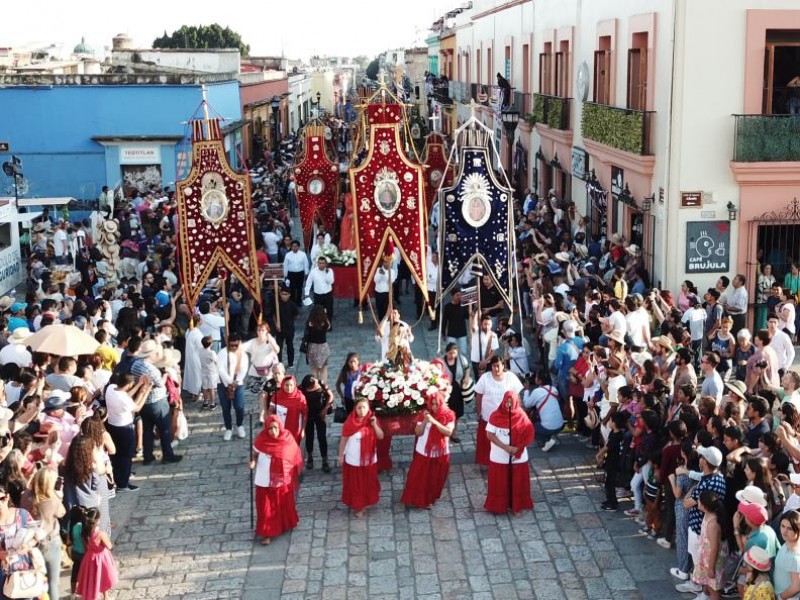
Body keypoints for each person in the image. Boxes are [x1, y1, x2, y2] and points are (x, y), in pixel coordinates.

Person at [249, 416, 303, 545]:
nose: (273, 431)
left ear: (280, 427)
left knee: (282, 504)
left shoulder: (287, 439)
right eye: (270, 428)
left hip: (281, 478)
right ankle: (267, 533)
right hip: (264, 478)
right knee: (265, 507)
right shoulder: (261, 440)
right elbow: (255, 455)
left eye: (276, 428)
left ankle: (285, 524)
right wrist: (252, 463)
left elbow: (294, 455)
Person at [400, 391, 455, 509]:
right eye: (432, 404)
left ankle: (429, 500)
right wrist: (425, 421)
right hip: (423, 452)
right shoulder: (424, 414)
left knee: (434, 479)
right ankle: (414, 498)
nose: (434, 407)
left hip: (440, 453)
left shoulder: (449, 415)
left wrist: (434, 422)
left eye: (437, 404)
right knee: (416, 477)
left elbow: (448, 432)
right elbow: (418, 432)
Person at [484, 391, 534, 516]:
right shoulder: (495, 415)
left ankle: (517, 506)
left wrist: (517, 448)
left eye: (511, 402)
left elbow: (529, 434)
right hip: (499, 456)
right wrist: (505, 447)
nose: (509, 404)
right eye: (507, 401)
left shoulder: (522, 416)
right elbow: (490, 434)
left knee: (517, 483)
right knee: (500, 483)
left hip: (518, 456)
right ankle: (499, 505)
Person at [338, 397, 384, 518]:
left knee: (368, 482)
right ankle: (359, 506)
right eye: (359, 407)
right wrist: (340, 455)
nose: (361, 410)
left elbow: (381, 436)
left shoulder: (373, 421)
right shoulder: (349, 422)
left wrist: (374, 425)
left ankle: (367, 501)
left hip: (369, 460)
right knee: (356, 485)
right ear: (355, 409)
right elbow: (343, 440)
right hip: (354, 460)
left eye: (364, 407)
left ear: (368, 408)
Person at [104, 373, 151, 492]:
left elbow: (126, 395)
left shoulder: (111, 388)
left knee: (116, 455)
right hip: (124, 428)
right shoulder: (123, 398)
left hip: (112, 425)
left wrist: (140, 385)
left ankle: (118, 478)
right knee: (125, 456)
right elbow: (137, 407)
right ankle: (123, 484)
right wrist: (145, 392)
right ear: (129, 384)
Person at [474, 355, 523, 466]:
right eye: (493, 366)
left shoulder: (510, 377)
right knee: (487, 441)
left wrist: (517, 412)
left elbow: (517, 396)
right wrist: (479, 412)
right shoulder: (485, 378)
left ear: (503, 366)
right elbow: (479, 396)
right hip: (488, 417)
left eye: (498, 366)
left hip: (506, 418)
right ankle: (488, 462)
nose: (496, 369)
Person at [31, 466, 66, 600]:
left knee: (38, 580)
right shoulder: (52, 501)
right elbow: (62, 512)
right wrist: (59, 496)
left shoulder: (28, 498)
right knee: (53, 582)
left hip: (33, 544)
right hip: (51, 543)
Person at [75, 506, 119, 600]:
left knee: (92, 579)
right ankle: (106, 597)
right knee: (104, 577)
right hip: (102, 558)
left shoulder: (84, 533)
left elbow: (85, 547)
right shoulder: (101, 534)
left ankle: (96, 595)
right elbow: (109, 546)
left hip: (89, 558)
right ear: (97, 520)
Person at [216, 332, 249, 441]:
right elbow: (220, 369)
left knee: (239, 406)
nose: (234, 347)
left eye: (236, 345)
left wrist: (237, 380)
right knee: (226, 408)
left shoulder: (243, 354)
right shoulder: (222, 353)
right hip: (223, 383)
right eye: (232, 345)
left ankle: (239, 425)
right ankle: (228, 428)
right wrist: (230, 381)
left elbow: (244, 369)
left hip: (237, 384)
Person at [522, 371, 564, 452]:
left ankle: (546, 441)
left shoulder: (537, 391)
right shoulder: (554, 389)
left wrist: (526, 390)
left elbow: (527, 405)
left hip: (548, 427)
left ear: (540, 381)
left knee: (531, 427)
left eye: (536, 377)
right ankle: (551, 435)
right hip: (560, 425)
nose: (535, 379)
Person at [300, 375, 333, 472]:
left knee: (322, 437)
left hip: (320, 413)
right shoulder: (301, 387)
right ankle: (310, 457)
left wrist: (326, 409)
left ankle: (324, 460)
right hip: (309, 415)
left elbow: (330, 395)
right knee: (309, 437)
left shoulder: (321, 383)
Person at [442, 342, 470, 443]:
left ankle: (454, 433)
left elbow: (467, 369)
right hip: (446, 392)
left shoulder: (462, 359)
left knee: (456, 414)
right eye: (450, 353)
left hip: (458, 391)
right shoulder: (442, 362)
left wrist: (466, 377)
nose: (452, 356)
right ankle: (444, 432)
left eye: (454, 353)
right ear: (446, 352)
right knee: (445, 413)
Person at [272, 375, 307, 446]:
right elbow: (271, 410)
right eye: (286, 385)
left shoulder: (300, 398)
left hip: (295, 430)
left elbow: (305, 414)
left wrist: (303, 430)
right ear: (282, 385)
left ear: (294, 385)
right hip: (281, 429)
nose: (289, 388)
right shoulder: (276, 396)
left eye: (291, 385)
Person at [774, 510, 800, 600]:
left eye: (790, 528)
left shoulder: (794, 556)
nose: (784, 531)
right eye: (783, 526)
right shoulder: (787, 543)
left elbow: (796, 587)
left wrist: (779, 597)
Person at [305, 305, 332, 384]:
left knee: (314, 369)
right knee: (324, 368)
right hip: (323, 347)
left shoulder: (310, 323)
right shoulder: (324, 323)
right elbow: (329, 326)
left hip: (312, 347)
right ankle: (323, 385)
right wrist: (325, 315)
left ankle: (315, 385)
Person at [304, 256, 335, 322]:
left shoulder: (330, 271)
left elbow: (331, 281)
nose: (321, 265)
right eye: (320, 263)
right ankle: (319, 324)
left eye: (323, 263)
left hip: (328, 294)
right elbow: (308, 282)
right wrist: (306, 293)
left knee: (329, 311)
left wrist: (327, 273)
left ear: (326, 264)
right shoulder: (313, 272)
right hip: (318, 295)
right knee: (318, 311)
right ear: (317, 263)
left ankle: (329, 324)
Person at [283, 240, 309, 307]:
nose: (294, 248)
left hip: (300, 273)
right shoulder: (288, 255)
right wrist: (285, 274)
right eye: (293, 246)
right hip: (291, 274)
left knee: (300, 288)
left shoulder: (303, 254)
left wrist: (306, 273)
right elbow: (285, 265)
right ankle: (292, 301)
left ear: (298, 247)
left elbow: (306, 264)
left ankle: (299, 301)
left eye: (296, 246)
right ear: (291, 247)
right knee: (292, 288)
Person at [199, 335, 219, 411]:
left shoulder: (200, 350)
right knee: (212, 388)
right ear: (210, 344)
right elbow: (216, 361)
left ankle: (205, 402)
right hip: (211, 372)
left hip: (203, 371)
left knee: (205, 388)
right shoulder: (211, 352)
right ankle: (213, 403)